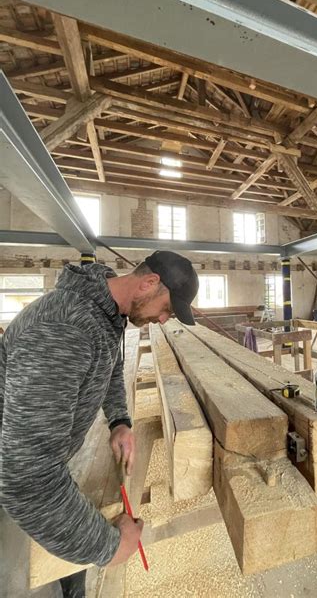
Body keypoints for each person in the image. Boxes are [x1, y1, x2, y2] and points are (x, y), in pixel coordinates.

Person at [0, 251, 199, 598]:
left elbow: (109, 371)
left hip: (41, 459)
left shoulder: (108, 314)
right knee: (14, 570)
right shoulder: (65, 329)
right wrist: (109, 547)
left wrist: (119, 422)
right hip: (13, 469)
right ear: (149, 284)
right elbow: (26, 477)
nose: (165, 320)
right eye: (167, 309)